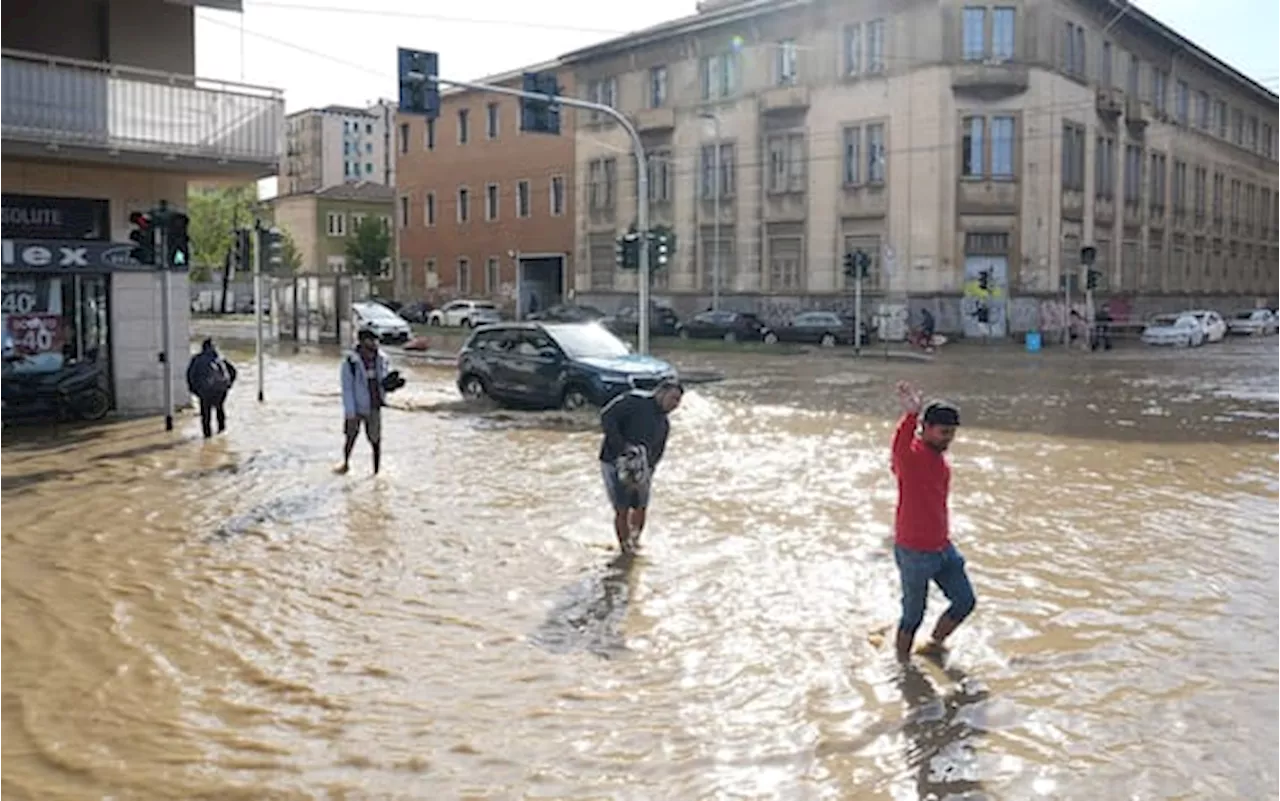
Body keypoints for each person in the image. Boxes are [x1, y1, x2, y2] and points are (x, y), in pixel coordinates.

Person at [890, 381, 975, 663]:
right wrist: (910, 415)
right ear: (925, 429)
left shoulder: (939, 460)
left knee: (965, 601)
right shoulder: (910, 458)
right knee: (913, 614)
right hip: (914, 551)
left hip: (942, 548)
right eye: (943, 433)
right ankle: (902, 665)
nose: (948, 439)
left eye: (952, 434)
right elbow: (899, 448)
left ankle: (934, 644)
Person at [598, 378, 684, 553]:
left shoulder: (664, 423)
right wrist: (622, 446)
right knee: (622, 508)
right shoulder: (634, 400)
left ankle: (635, 541)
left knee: (640, 506)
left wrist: (649, 470)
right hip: (614, 461)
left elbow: (658, 452)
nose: (676, 404)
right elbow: (607, 416)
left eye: (678, 401)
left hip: (642, 467)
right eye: (673, 398)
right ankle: (624, 548)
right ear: (660, 392)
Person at [338, 327, 390, 475]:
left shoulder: (382, 359)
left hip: (374, 406)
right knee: (350, 438)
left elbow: (383, 381)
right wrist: (350, 412)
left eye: (376, 340)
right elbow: (347, 389)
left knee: (376, 440)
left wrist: (389, 386)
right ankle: (346, 463)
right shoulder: (350, 362)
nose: (375, 343)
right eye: (371, 340)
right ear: (362, 341)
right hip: (356, 407)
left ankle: (376, 472)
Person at [186, 338, 237, 439]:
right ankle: (222, 432)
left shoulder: (197, 359)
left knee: (206, 414)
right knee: (220, 409)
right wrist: (229, 385)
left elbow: (190, 375)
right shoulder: (220, 358)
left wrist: (194, 390)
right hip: (220, 390)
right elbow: (233, 371)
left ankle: (207, 436)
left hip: (205, 391)